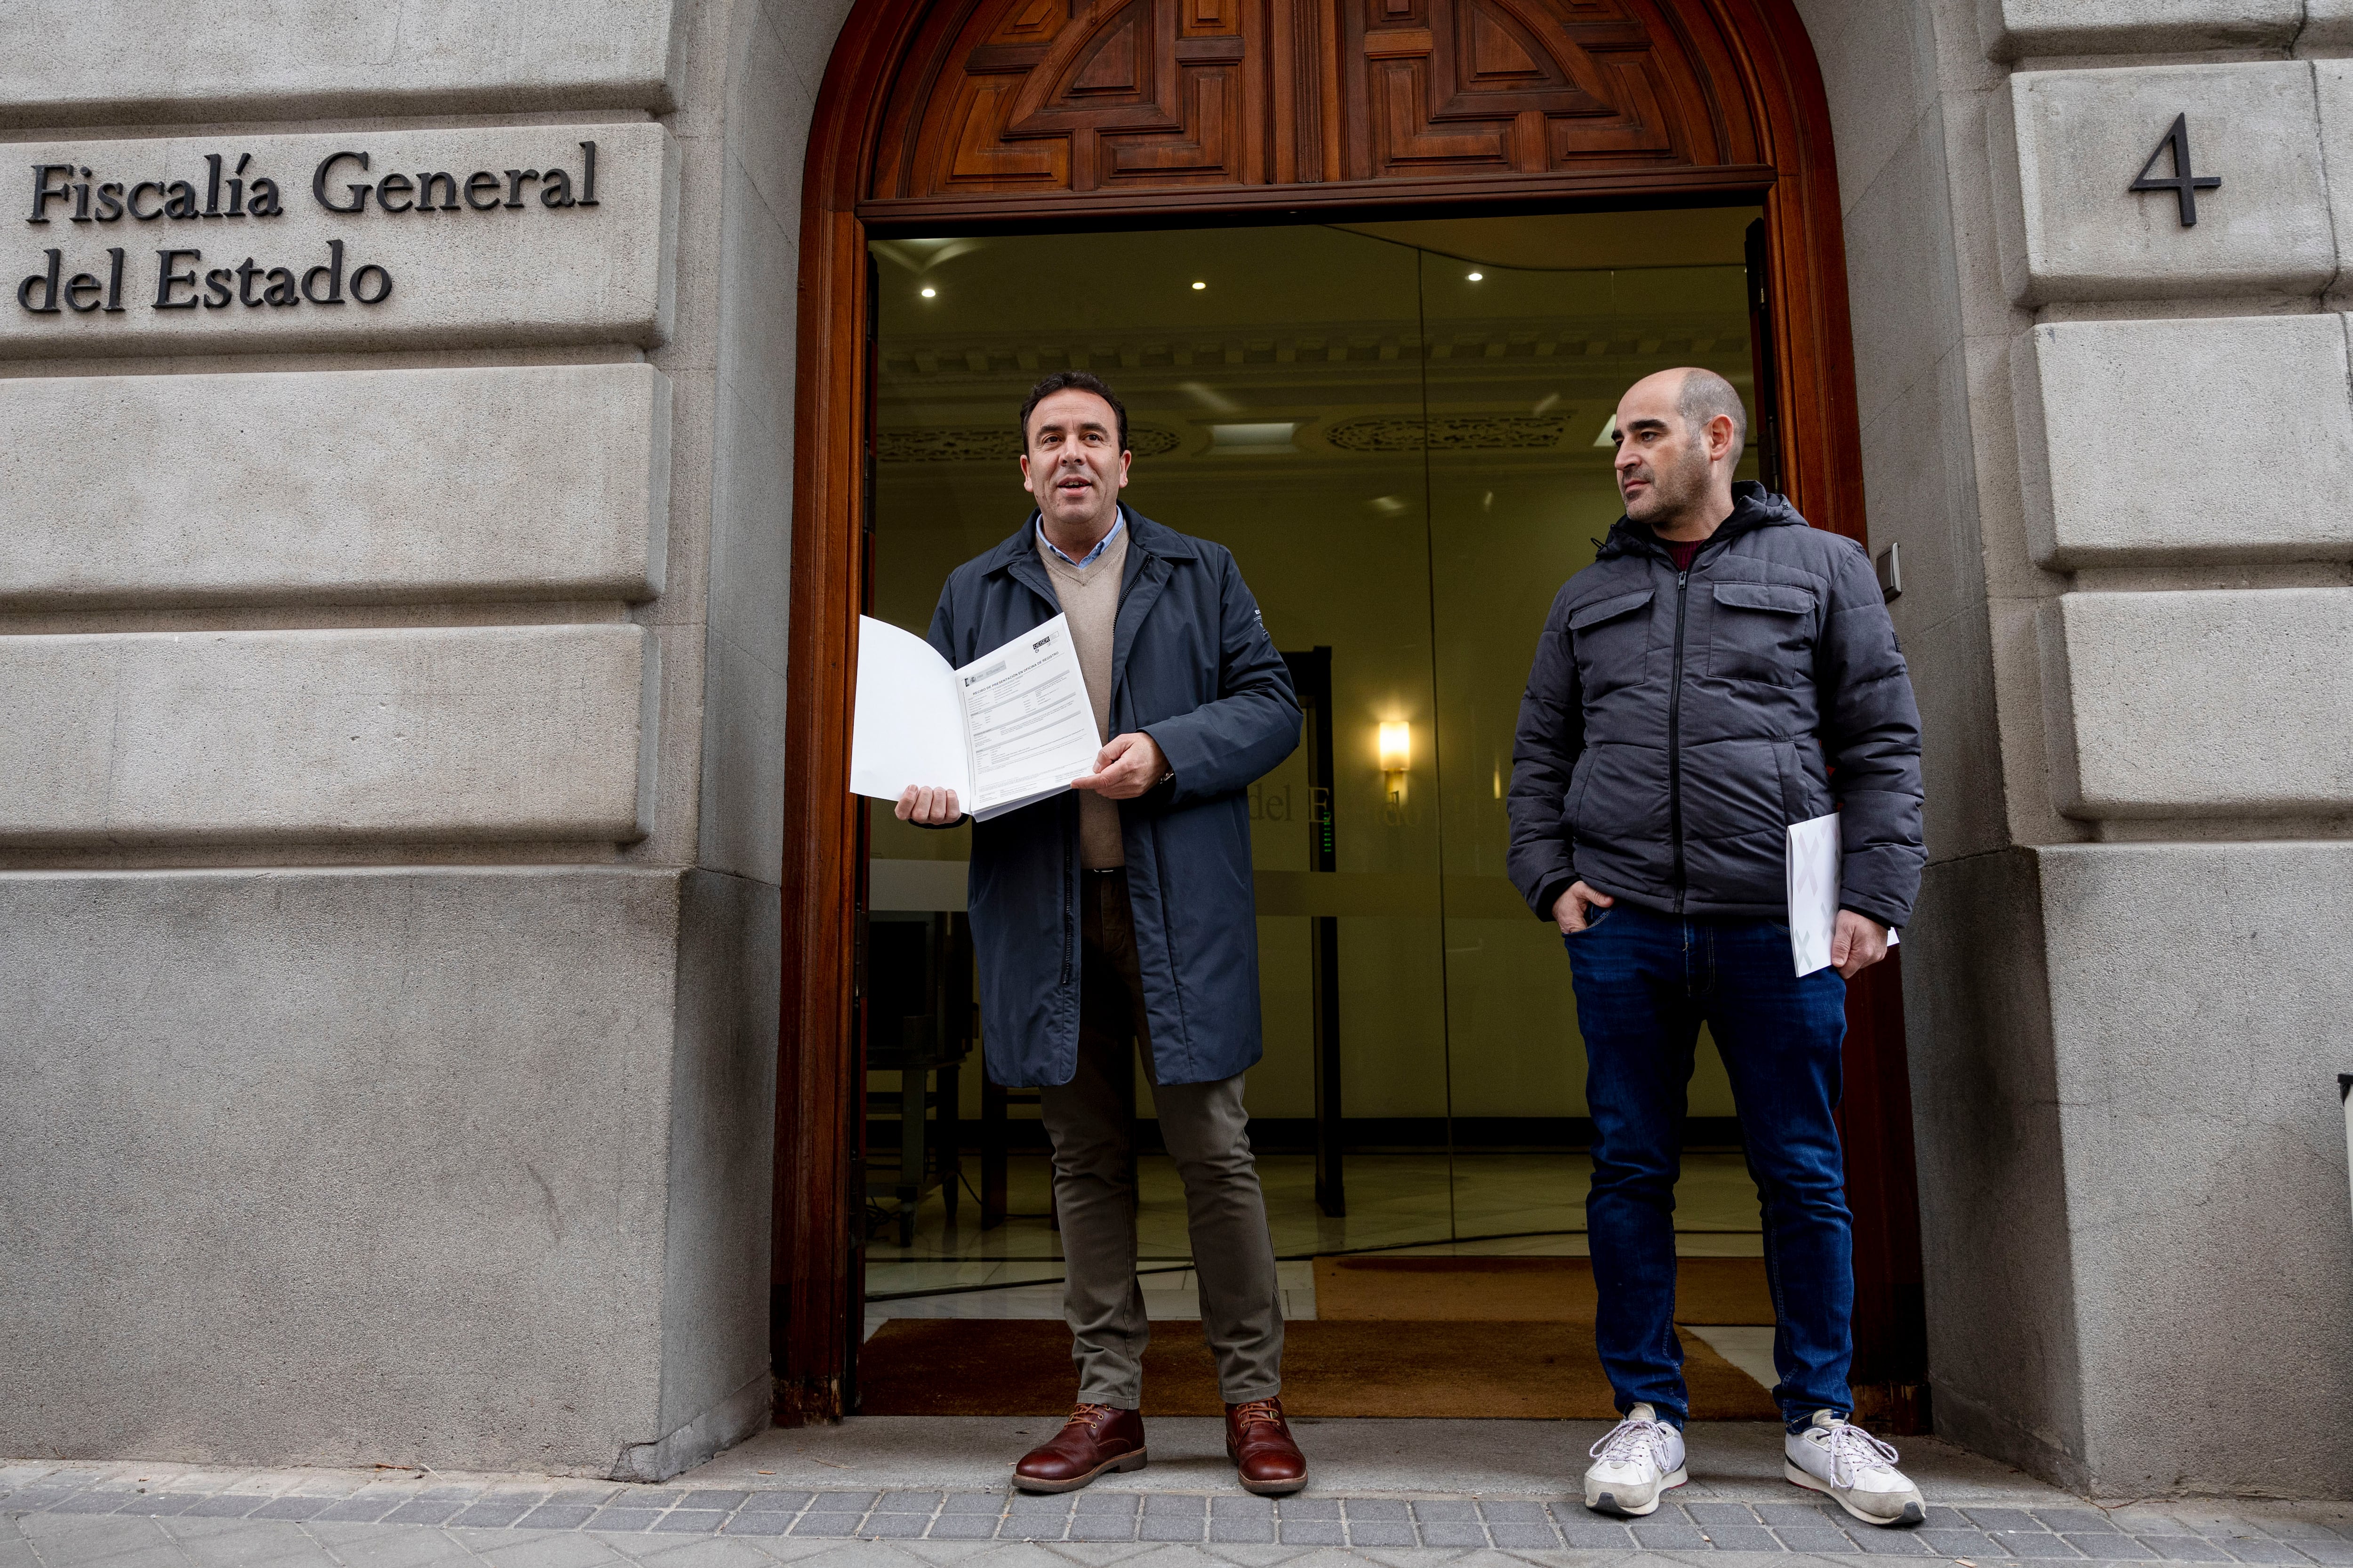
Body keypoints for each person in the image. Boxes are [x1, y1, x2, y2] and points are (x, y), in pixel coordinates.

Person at [1506, 368, 1928, 1526]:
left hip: (1778, 929)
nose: (1623, 455)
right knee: (1630, 1170)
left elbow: (1882, 741)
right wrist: (1550, 880)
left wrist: (1873, 896)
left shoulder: (1823, 568)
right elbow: (1537, 752)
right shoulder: (1586, 595)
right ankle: (1647, 1415)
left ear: (1717, 436)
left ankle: (1819, 1421)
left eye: (1645, 433)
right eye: (1618, 439)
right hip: (1628, 926)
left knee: (1801, 1171)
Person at [895, 370, 1309, 1496]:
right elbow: (936, 744)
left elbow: (1274, 704)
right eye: (1049, 438)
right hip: (1047, 910)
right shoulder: (973, 589)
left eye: (1093, 436)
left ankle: (1251, 1397)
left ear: (1126, 464)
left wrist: (1167, 750)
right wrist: (925, 788)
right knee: (1082, 1160)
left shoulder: (1200, 570)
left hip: (1179, 908)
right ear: (1023, 468)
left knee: (1214, 1153)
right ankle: (1105, 1401)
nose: (1071, 452)